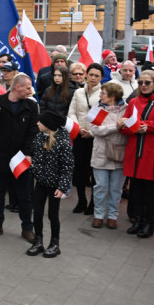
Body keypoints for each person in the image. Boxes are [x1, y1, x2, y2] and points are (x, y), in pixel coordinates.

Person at [0, 73, 39, 242]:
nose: (30, 91)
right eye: (27, 88)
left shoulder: (31, 106)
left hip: (21, 159)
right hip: (0, 157)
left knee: (24, 195)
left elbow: (34, 132)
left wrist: (28, 154)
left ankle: (27, 228)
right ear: (17, 87)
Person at [119, 70, 154, 239]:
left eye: (147, 83)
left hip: (152, 151)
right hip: (135, 150)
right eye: (141, 82)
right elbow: (125, 126)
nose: (143, 85)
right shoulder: (134, 101)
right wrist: (133, 126)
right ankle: (137, 220)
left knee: (150, 190)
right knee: (135, 189)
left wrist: (137, 125)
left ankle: (149, 222)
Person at [25, 110, 74, 258]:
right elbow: (37, 154)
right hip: (41, 182)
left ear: (48, 125)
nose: (37, 123)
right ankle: (38, 241)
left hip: (54, 185)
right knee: (38, 212)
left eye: (40, 122)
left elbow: (67, 166)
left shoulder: (63, 142)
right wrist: (31, 162)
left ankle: (54, 243)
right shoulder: (41, 136)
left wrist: (62, 187)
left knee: (53, 215)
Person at [88, 81, 129, 229]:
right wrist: (115, 126)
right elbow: (94, 130)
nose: (100, 95)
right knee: (100, 187)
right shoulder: (97, 108)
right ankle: (98, 215)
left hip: (119, 153)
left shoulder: (127, 109)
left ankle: (112, 216)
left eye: (103, 93)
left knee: (116, 188)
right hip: (101, 153)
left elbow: (130, 126)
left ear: (112, 95)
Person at [68, 63, 102, 215]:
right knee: (79, 172)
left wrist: (92, 132)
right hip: (80, 136)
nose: (93, 78)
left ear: (101, 78)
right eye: (91, 74)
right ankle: (81, 201)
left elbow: (104, 117)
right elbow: (72, 112)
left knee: (94, 173)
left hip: (96, 138)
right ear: (86, 74)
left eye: (97, 76)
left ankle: (93, 204)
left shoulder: (104, 93)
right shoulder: (78, 93)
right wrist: (78, 128)